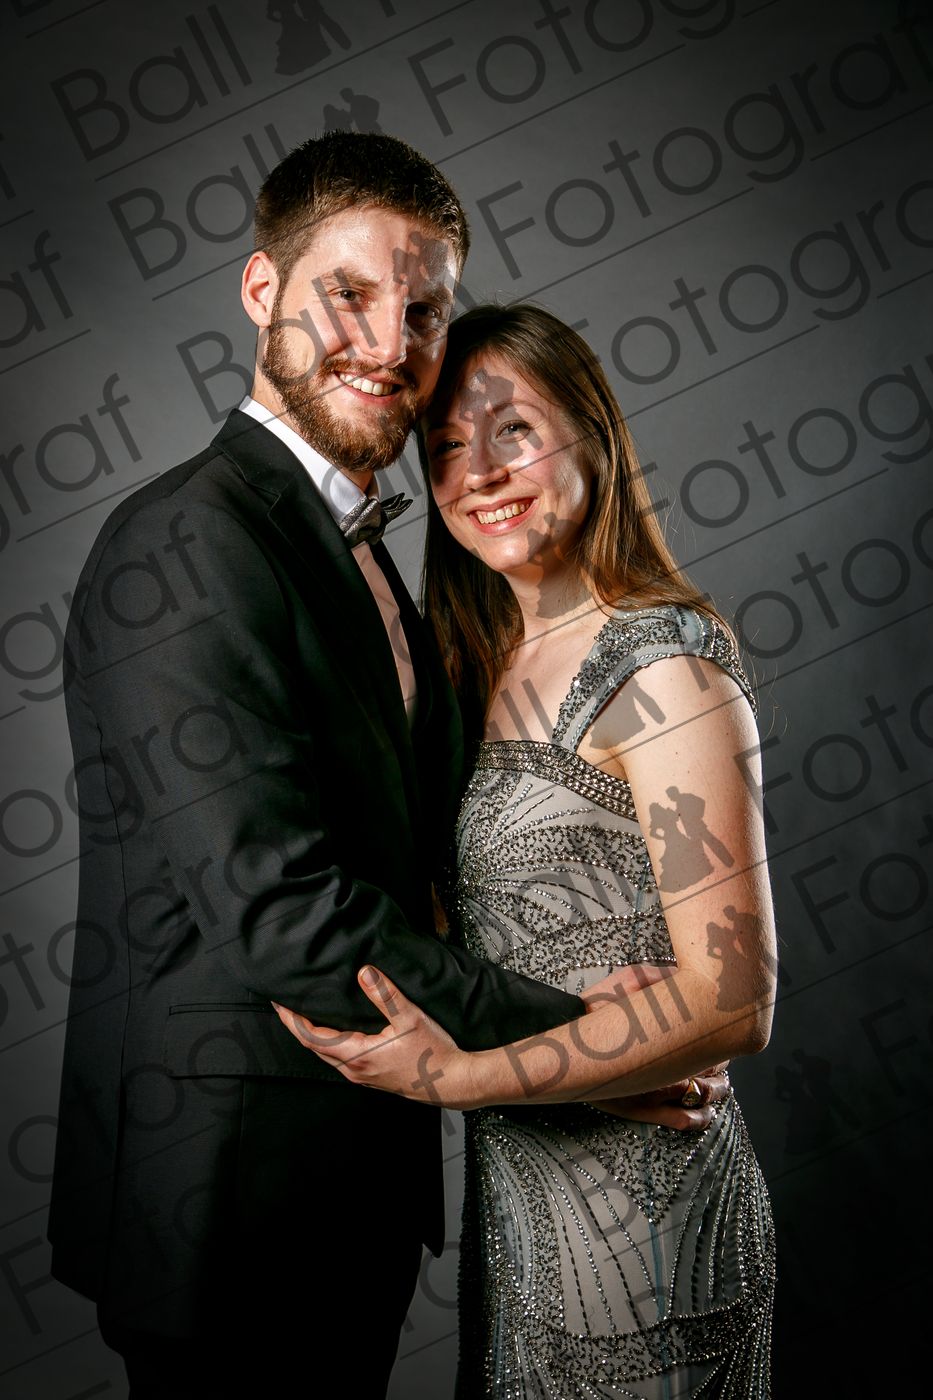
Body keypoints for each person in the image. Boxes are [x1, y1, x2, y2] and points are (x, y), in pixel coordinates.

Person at [47, 135, 726, 1398]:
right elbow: (286, 913)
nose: (389, 341)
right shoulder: (187, 544)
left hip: (348, 1189)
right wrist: (586, 1043)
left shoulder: (358, 551)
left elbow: (414, 855)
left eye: (424, 309)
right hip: (233, 1210)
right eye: (348, 294)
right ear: (263, 290)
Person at [275, 304, 779, 1397]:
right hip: (521, 1208)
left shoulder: (664, 665)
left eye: (514, 429)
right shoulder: (472, 666)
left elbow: (734, 1001)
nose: (481, 473)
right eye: (447, 445)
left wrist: (457, 1076)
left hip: (650, 1222)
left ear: (592, 433)